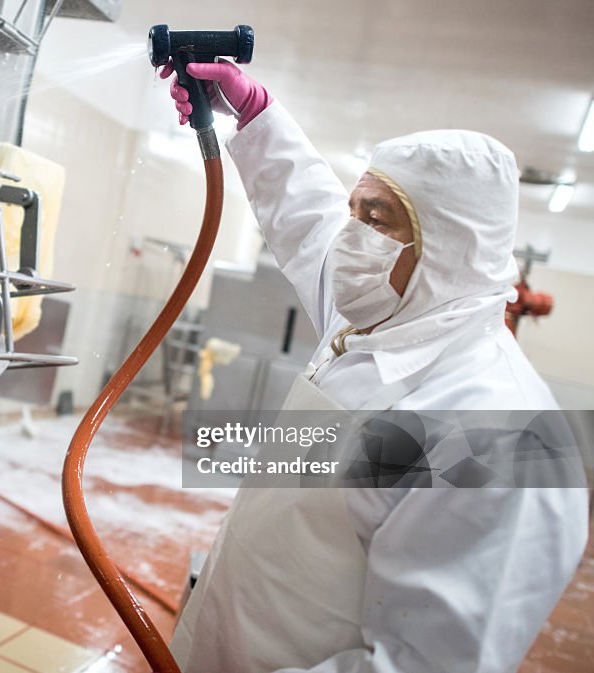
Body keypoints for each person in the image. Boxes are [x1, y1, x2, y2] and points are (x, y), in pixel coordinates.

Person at [159, 59, 590, 673]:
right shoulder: (379, 316)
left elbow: (427, 664)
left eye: (377, 219)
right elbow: (308, 218)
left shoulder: (500, 435)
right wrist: (255, 115)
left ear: (449, 247)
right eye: (354, 211)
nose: (349, 237)